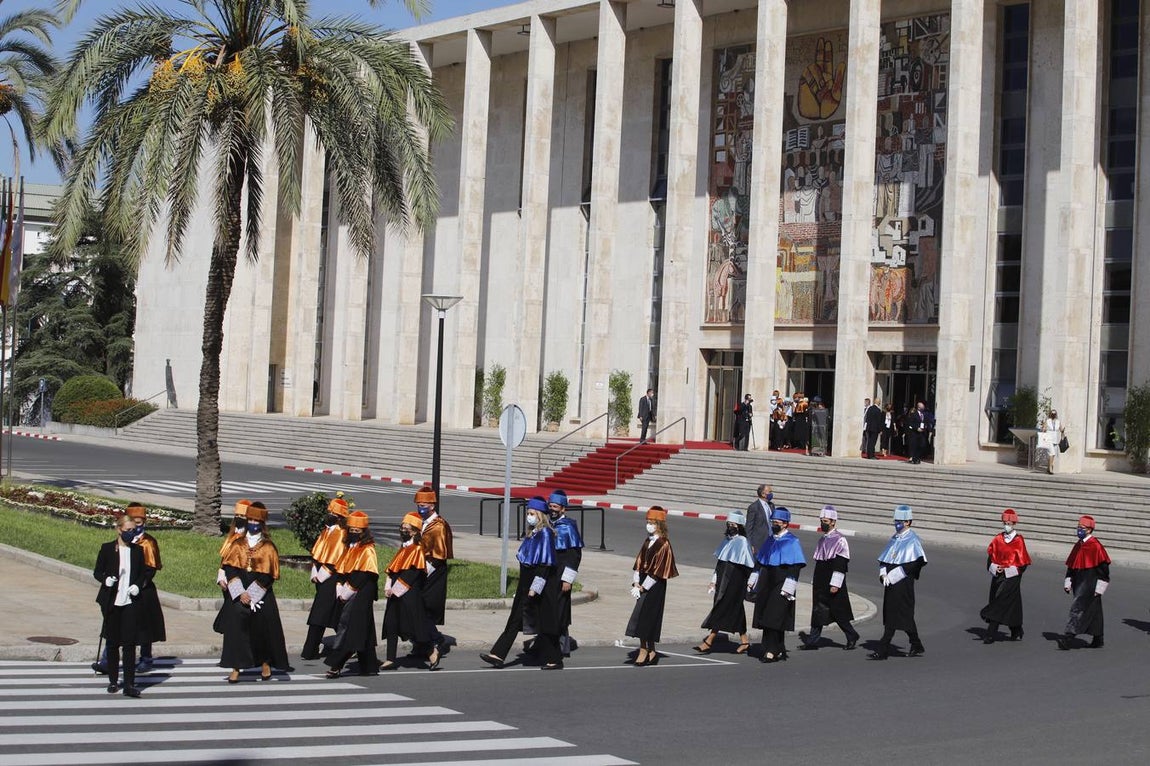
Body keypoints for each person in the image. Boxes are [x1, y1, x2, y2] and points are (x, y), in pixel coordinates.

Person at [480, 497, 563, 669]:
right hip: (525, 584)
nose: (529, 516)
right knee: (515, 619)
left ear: (540, 515)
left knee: (544, 623)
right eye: (528, 513)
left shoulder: (545, 534)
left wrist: (534, 588)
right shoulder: (532, 533)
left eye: (532, 513)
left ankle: (554, 659)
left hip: (538, 586)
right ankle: (498, 654)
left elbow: (545, 565)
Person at [215, 502, 291, 683]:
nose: (253, 523)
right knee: (237, 632)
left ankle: (265, 662)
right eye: (251, 519)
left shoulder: (268, 547)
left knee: (261, 631)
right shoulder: (237, 544)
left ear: (262, 523)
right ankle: (235, 668)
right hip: (239, 591)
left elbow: (268, 576)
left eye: (257, 520)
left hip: (260, 594)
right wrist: (240, 592)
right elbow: (230, 569)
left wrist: (252, 594)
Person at [93, 514, 150, 697]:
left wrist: (136, 586)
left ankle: (129, 684)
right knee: (112, 642)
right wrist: (106, 580)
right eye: (127, 531)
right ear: (119, 529)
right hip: (111, 601)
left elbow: (143, 573)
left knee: (129, 643)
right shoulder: (108, 548)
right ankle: (112, 681)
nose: (130, 534)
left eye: (133, 531)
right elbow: (97, 571)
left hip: (130, 601)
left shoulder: (137, 551)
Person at [868, 504, 928, 660]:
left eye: (899, 521)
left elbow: (915, 563)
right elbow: (885, 558)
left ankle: (883, 649)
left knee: (896, 613)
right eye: (895, 520)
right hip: (890, 583)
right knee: (899, 614)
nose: (896, 523)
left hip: (903, 582)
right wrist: (883, 574)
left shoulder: (913, 539)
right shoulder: (894, 538)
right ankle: (916, 643)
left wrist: (895, 574)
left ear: (908, 522)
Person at [325, 511, 380, 677]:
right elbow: (342, 568)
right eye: (351, 530)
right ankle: (369, 665)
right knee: (364, 629)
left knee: (351, 627)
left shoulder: (368, 550)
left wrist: (348, 589)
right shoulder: (349, 547)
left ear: (364, 532)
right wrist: (339, 584)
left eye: (358, 530)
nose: (354, 533)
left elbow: (364, 573)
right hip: (349, 588)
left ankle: (337, 663)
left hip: (362, 591)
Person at [749, 507, 806, 663]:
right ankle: (777, 647)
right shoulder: (770, 539)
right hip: (767, 581)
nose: (774, 524)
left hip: (782, 583)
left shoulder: (792, 541)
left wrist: (789, 586)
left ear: (785, 524)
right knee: (766, 615)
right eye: (772, 522)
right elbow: (760, 561)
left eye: (777, 522)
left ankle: (771, 650)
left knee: (774, 616)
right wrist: (753, 579)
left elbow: (795, 566)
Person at [695, 509, 755, 655]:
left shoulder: (743, 542)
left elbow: (748, 566)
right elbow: (719, 565)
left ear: (739, 526)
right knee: (736, 610)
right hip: (722, 582)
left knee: (722, 608)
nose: (730, 526)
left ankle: (709, 640)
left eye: (733, 524)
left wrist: (749, 583)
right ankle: (745, 641)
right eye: (729, 523)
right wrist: (713, 581)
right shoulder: (726, 541)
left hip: (735, 583)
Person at [380, 512, 435, 670]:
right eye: (402, 527)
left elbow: (411, 575)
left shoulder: (416, 549)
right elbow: (393, 570)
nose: (403, 531)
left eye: (407, 528)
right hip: (396, 593)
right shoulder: (403, 548)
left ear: (415, 531)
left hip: (409, 595)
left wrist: (395, 590)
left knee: (414, 627)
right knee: (391, 624)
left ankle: (431, 650)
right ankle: (390, 658)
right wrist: (388, 586)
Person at [800, 505, 859, 650]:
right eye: (821, 520)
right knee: (818, 610)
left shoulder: (840, 540)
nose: (822, 523)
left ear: (833, 521)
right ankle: (812, 641)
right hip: (821, 580)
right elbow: (819, 561)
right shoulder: (822, 540)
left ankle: (851, 635)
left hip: (833, 580)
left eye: (825, 520)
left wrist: (835, 583)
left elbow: (841, 563)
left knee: (838, 611)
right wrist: (815, 579)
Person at [625, 506, 679, 666]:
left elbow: (658, 570)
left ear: (659, 524)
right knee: (641, 614)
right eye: (647, 522)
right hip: (642, 581)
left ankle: (645, 649)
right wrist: (636, 581)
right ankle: (650, 650)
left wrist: (643, 587)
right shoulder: (648, 541)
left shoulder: (664, 544)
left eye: (652, 522)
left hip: (654, 585)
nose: (648, 525)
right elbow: (639, 561)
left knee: (648, 617)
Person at [301, 496, 349, 660]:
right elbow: (317, 554)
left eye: (332, 512)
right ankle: (349, 644)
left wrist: (321, 575)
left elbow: (335, 559)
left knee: (320, 614)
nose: (328, 514)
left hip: (331, 577)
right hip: (321, 576)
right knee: (335, 615)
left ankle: (310, 649)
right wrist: (315, 571)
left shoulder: (341, 533)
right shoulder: (326, 531)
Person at [1055, 515, 1111, 650]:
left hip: (1090, 583)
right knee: (1094, 611)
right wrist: (1068, 580)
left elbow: (1104, 568)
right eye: (1078, 527)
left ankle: (1068, 638)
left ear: (1089, 530)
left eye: (1082, 528)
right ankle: (1098, 638)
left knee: (1077, 609)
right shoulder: (1078, 545)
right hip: (1078, 582)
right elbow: (1072, 565)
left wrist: (1100, 586)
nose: (1079, 529)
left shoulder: (1096, 546)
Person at [980, 509, 1031, 643]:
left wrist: (1008, 570)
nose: (1006, 525)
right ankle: (1016, 628)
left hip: (1012, 577)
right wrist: (996, 568)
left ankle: (990, 633)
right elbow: (990, 558)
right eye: (1004, 523)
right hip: (998, 576)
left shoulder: (1019, 541)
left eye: (1008, 523)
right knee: (1010, 604)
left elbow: (1023, 564)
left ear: (1013, 523)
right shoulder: (997, 539)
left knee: (1000, 602)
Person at [413, 485, 453, 659]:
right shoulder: (419, 523)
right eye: (418, 504)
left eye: (424, 504)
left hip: (433, 570)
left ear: (432, 506)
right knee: (415, 607)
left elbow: (439, 555)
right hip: (418, 568)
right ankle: (420, 644)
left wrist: (425, 571)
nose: (420, 508)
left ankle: (435, 639)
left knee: (426, 608)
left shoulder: (439, 526)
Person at [125, 503, 165, 673]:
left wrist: (139, 585)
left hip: (143, 588)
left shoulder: (148, 542)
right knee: (117, 624)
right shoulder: (123, 539)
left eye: (140, 521)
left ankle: (146, 658)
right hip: (122, 587)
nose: (137, 524)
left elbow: (151, 568)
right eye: (134, 521)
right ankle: (107, 658)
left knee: (144, 626)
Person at [547, 490, 583, 657]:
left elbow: (574, 556)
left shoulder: (568, 527)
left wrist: (568, 579)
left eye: (555, 506)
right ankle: (546, 644)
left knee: (559, 611)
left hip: (562, 576)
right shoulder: (547, 524)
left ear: (563, 509)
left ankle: (561, 646)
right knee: (547, 609)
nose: (552, 509)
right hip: (548, 574)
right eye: (550, 506)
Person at [745, 484, 774, 555]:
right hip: (758, 544)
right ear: (763, 494)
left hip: (770, 541)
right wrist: (750, 544)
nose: (771, 494)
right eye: (770, 492)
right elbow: (748, 528)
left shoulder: (771, 505)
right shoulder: (754, 507)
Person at [1040, 408, 1065, 474]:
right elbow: (1044, 428)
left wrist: (1063, 432)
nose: (1053, 415)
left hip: (1055, 439)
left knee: (1051, 455)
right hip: (1049, 439)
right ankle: (1051, 467)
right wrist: (1043, 428)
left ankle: (1048, 468)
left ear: (1056, 414)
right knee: (1052, 453)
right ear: (1050, 414)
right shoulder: (1047, 421)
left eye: (1054, 414)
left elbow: (1061, 429)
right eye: (1052, 414)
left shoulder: (1058, 421)